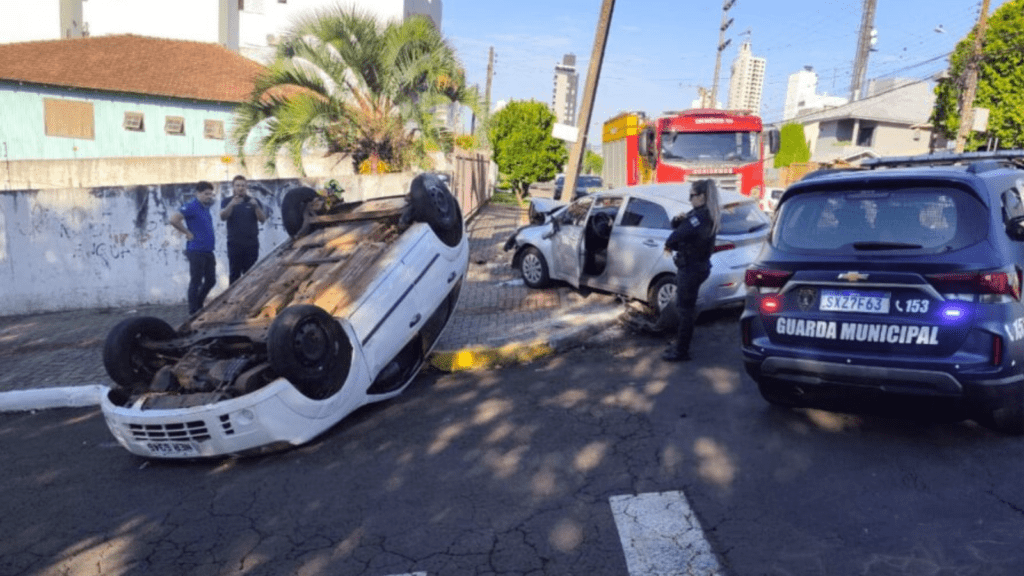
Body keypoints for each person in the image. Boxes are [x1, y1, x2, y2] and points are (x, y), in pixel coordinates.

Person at [662, 179, 721, 362]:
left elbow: (676, 236)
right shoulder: (702, 213)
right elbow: (678, 226)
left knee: (685, 310)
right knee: (685, 307)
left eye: (692, 195)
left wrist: (670, 244)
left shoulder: (700, 217)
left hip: (692, 268)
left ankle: (682, 351)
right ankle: (681, 343)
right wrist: (678, 219)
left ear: (702, 196)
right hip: (696, 267)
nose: (690, 199)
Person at [169, 181, 217, 315]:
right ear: (198, 193)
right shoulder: (191, 206)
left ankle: (199, 304)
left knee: (211, 280)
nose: (209, 196)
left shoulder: (205, 207)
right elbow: (174, 220)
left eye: (210, 194)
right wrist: (187, 232)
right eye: (206, 194)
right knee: (196, 280)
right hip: (196, 250)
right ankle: (193, 310)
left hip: (208, 251)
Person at [219, 174, 267, 283]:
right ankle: (232, 299)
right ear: (233, 187)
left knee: (251, 274)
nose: (240, 188)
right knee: (234, 274)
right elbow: (223, 217)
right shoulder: (227, 201)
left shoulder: (254, 201)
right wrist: (231, 205)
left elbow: (263, 219)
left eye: (243, 185)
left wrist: (256, 207)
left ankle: (249, 299)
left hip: (251, 244)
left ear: (246, 187)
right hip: (234, 244)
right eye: (237, 185)